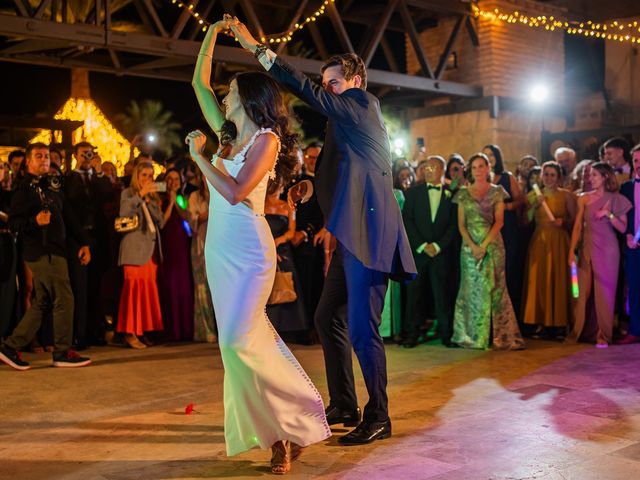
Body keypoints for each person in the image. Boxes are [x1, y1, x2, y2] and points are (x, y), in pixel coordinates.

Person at [230, 16, 416, 445]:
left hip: (369, 237)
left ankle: (379, 416)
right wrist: (311, 194)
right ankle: (345, 405)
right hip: (353, 235)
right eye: (326, 82)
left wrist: (259, 49)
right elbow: (346, 174)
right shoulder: (347, 121)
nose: (327, 88)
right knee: (326, 315)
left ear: (354, 79)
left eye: (333, 81)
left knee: (362, 327)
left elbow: (310, 94)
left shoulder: (362, 104)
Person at [188, 17, 330, 474]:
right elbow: (198, 82)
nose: (223, 97)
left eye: (231, 92)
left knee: (238, 339)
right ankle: (279, 436)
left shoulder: (266, 140)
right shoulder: (228, 135)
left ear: (248, 98)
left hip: (249, 249)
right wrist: (213, 33)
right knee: (236, 347)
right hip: (219, 249)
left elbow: (234, 192)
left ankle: (298, 417)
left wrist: (196, 156)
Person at [0, 143, 91, 370]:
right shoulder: (24, 189)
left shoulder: (52, 186)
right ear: (28, 162)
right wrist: (34, 222)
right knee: (64, 297)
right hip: (41, 252)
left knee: (43, 301)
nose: (44, 160)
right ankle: (62, 351)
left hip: (56, 250)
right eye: (38, 156)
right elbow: (14, 223)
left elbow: (69, 217)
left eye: (47, 157)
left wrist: (85, 243)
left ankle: (9, 347)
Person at [451, 153, 524, 350]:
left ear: (488, 168)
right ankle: (471, 336)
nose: (478, 170)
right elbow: (461, 225)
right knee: (471, 289)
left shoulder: (497, 191)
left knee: (496, 288)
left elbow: (499, 221)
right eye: (474, 167)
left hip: (493, 245)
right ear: (470, 170)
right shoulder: (463, 193)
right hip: (468, 247)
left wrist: (483, 245)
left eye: (481, 166)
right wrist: (473, 246)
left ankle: (500, 337)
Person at [566, 163, 631, 347]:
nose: (591, 178)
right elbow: (578, 226)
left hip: (609, 250)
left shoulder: (616, 199)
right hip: (587, 248)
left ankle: (604, 335)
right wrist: (572, 250)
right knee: (582, 290)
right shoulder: (583, 198)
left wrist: (608, 214)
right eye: (590, 175)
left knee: (605, 292)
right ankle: (581, 330)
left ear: (605, 177)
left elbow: (623, 227)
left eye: (595, 175)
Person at [402, 156, 458, 347]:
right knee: (414, 295)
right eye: (426, 167)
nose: (428, 170)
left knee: (442, 294)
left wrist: (437, 246)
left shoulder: (451, 194)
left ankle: (446, 334)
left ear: (442, 171)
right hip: (418, 253)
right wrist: (421, 245)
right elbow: (407, 220)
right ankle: (412, 334)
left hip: (440, 253)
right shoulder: (413, 193)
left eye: (433, 167)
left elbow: (453, 225)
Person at [65, 142, 114, 348]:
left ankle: (95, 332)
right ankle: (79, 335)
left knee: (95, 288)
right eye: (83, 154)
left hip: (97, 239)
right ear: (75, 155)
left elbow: (108, 194)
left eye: (90, 153)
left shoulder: (96, 178)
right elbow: (71, 201)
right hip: (78, 238)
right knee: (80, 288)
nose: (87, 156)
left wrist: (99, 171)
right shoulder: (69, 178)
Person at [522, 161, 576, 338]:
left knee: (558, 279)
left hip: (560, 241)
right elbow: (525, 221)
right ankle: (541, 322)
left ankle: (559, 323)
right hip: (540, 241)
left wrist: (564, 223)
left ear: (558, 177)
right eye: (546, 174)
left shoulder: (566, 196)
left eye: (553, 175)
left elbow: (574, 220)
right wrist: (535, 206)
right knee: (540, 280)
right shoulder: (532, 196)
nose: (549, 178)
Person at [116, 161, 165, 349]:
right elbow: (124, 212)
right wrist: (140, 196)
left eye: (150, 176)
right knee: (133, 292)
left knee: (146, 292)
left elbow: (159, 222)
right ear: (136, 176)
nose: (147, 179)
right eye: (143, 175)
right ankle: (129, 333)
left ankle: (142, 331)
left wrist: (153, 200)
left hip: (150, 251)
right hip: (134, 250)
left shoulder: (152, 198)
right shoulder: (127, 194)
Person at [483, 144, 525, 320]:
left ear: (497, 157)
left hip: (507, 228)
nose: (489, 159)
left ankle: (511, 316)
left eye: (491, 155)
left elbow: (520, 200)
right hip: (488, 229)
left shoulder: (507, 178)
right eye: (485, 156)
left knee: (508, 270)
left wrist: (504, 206)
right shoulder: (481, 180)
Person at [265, 180, 311, 337]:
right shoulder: (260, 206)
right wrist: (269, 245)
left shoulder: (287, 206)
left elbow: (291, 232)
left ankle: (289, 328)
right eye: (280, 184)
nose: (282, 187)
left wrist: (278, 241)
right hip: (264, 249)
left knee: (286, 283)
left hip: (283, 250)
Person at [159, 168, 194, 342]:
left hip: (182, 244)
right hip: (167, 244)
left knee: (183, 284)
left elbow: (187, 218)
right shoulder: (159, 199)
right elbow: (161, 223)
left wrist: (176, 202)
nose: (172, 182)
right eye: (169, 179)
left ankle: (185, 329)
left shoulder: (183, 198)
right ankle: (170, 330)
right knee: (170, 284)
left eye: (175, 179)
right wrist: (170, 202)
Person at [187, 170, 217, 343]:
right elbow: (192, 222)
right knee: (202, 288)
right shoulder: (194, 197)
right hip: (201, 245)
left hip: (220, 245)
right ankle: (206, 330)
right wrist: (208, 213)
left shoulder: (223, 193)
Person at [617, 144, 640, 344]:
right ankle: (635, 330)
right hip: (633, 246)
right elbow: (623, 217)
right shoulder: (627, 187)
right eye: (636, 161)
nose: (638, 165)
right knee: (634, 287)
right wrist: (628, 235)